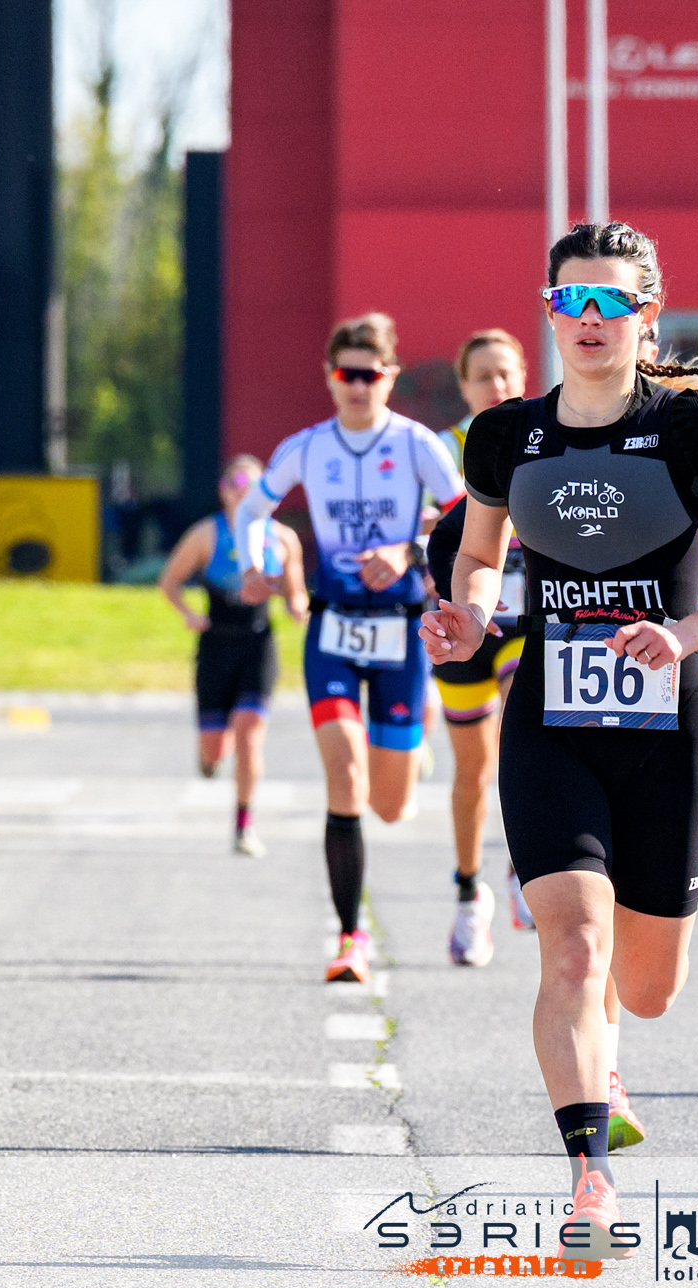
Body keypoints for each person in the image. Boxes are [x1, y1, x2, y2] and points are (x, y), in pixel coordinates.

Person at [421, 221, 698, 1257]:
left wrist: (682, 634)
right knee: (572, 948)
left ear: (646, 317)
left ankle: (612, 1045)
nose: (589, 320)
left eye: (610, 302)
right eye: (571, 301)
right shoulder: (504, 436)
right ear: (549, 312)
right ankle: (590, 1177)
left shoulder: (689, 429)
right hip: (549, 715)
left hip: (665, 722)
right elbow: (479, 558)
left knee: (645, 986)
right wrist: (470, 615)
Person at [236, 313, 464, 984]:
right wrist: (255, 564)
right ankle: (349, 937)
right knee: (344, 779)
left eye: (370, 374)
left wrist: (408, 551)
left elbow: (466, 519)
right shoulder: (306, 447)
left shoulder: (418, 445)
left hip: (400, 631)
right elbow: (252, 510)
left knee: (389, 805)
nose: (358, 386)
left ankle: (413, 745)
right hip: (333, 630)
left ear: (390, 376)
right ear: (330, 378)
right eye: (347, 374)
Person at [429, 330, 535, 966]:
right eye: (483, 377)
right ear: (465, 387)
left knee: (524, 735)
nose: (496, 386)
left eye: (505, 373)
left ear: (522, 375)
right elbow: (418, 526)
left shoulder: (545, 435)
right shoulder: (444, 450)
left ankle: (527, 867)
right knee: (473, 769)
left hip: (525, 617)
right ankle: (470, 894)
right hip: (462, 618)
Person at [158, 457, 307, 856]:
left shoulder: (281, 539)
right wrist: (189, 614)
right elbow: (169, 581)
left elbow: (296, 592)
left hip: (258, 645)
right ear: (223, 491)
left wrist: (297, 607)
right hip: (215, 645)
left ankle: (244, 824)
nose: (243, 491)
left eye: (254, 485)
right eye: (236, 483)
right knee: (215, 747)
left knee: (249, 733)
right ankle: (208, 754)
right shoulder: (207, 534)